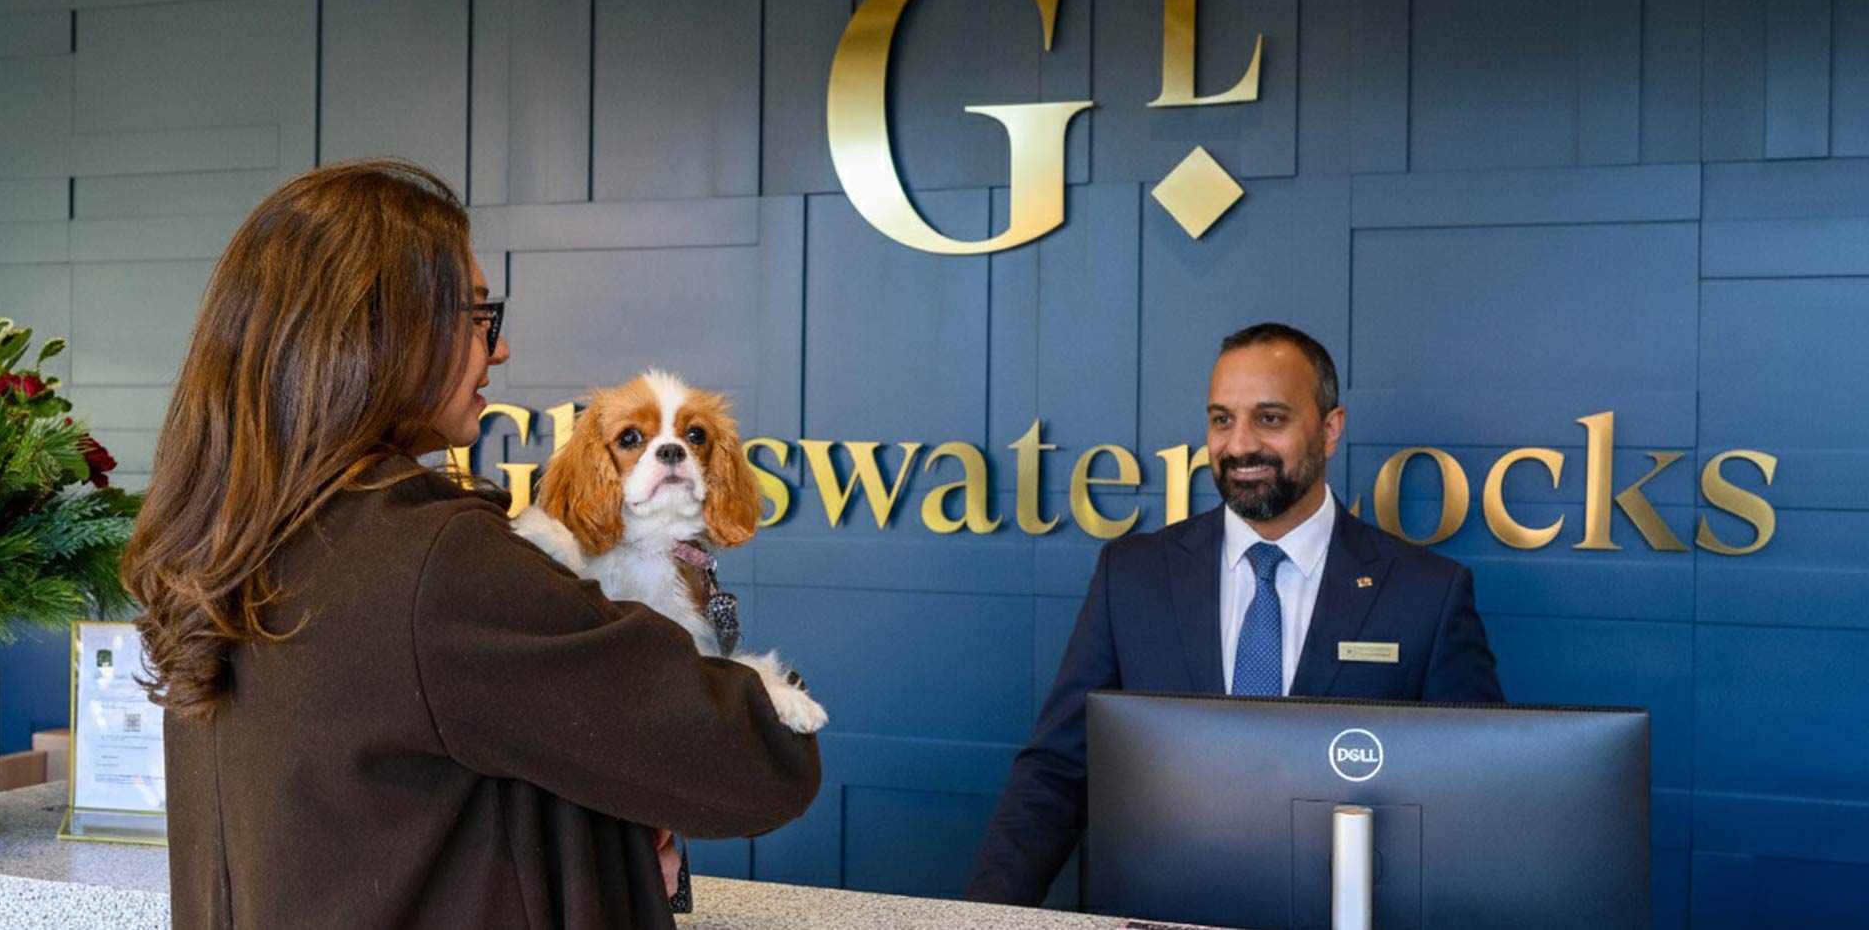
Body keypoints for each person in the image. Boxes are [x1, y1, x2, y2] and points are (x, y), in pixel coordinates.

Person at [121, 159, 820, 928]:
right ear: (385, 333)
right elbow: (762, 761)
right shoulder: (438, 563)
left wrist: (608, 836)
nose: (500, 348)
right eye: (478, 316)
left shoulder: (227, 545)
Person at [967, 322, 1502, 906]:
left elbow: (1473, 801)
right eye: (1222, 419)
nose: (1240, 444)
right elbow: (1057, 772)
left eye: (1270, 418)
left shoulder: (1428, 592)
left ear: (1329, 430)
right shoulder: (1133, 574)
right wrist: (983, 916)